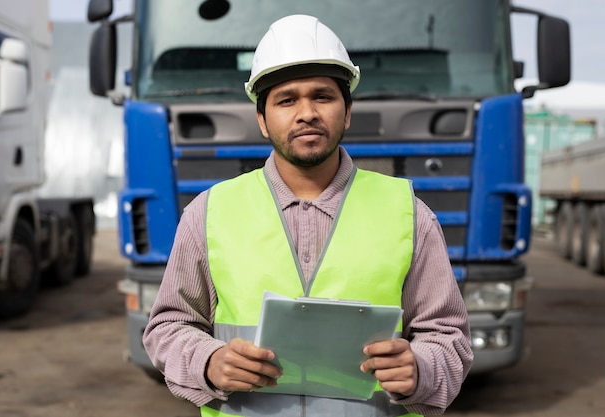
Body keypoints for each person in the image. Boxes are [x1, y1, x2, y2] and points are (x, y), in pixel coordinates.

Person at [143, 14, 473, 417]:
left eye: (323, 96)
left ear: (347, 113)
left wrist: (421, 369)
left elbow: (449, 339)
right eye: (286, 100)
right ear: (262, 121)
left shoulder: (409, 215)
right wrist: (208, 362)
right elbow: (167, 328)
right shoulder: (209, 214)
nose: (307, 113)